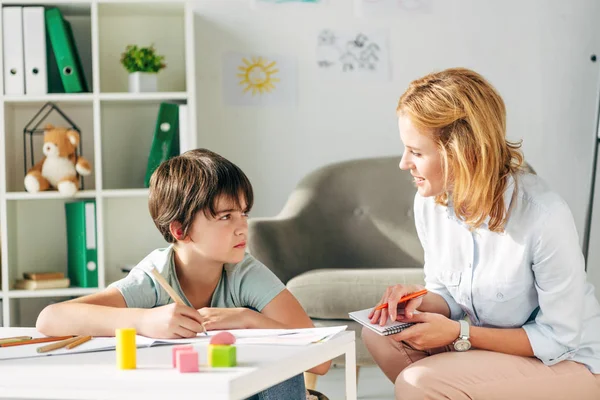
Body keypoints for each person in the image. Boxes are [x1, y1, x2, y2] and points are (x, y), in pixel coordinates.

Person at [362, 67, 600, 399]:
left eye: (416, 152)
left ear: (461, 151)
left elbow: (559, 338)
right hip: (491, 349)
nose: (404, 163)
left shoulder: (544, 215)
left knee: (418, 382)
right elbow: (446, 295)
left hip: (569, 362)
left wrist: (460, 334)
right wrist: (416, 303)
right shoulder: (429, 204)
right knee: (380, 335)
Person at [37, 148, 330, 400]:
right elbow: (51, 318)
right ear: (180, 230)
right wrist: (144, 320)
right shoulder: (155, 276)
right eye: (226, 216)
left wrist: (248, 319)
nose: (242, 227)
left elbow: (322, 361)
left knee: (280, 367)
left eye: (244, 213)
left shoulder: (244, 271)